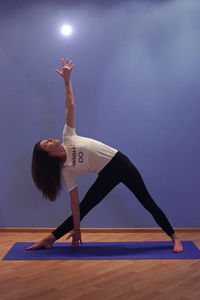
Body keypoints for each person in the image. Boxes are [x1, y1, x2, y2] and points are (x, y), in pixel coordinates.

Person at [26, 58, 184, 253]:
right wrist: (77, 228)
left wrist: (67, 80)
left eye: (47, 139)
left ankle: (175, 238)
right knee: (85, 206)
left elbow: (70, 105)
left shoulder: (67, 136)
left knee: (146, 200)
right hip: (106, 174)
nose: (50, 139)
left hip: (121, 163)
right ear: (48, 155)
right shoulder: (67, 171)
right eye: (46, 143)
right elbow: (74, 203)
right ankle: (50, 239)